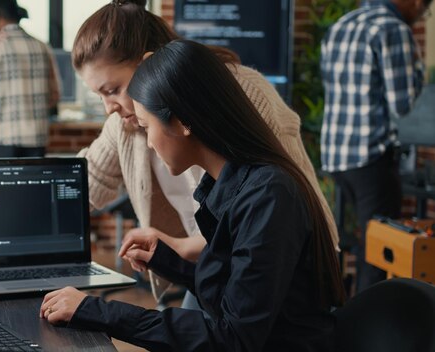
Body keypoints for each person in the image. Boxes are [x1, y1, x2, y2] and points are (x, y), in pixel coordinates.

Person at [40, 40, 345, 351]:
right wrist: (165, 260)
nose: (148, 144)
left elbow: (232, 338)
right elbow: (234, 294)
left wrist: (98, 312)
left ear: (183, 121)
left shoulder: (268, 196)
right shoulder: (230, 184)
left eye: (147, 128)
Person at [72, 0, 339, 308]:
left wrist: (183, 247)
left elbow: (272, 214)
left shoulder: (240, 92)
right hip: (218, 260)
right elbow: (87, 184)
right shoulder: (125, 122)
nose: (109, 108)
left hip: (287, 264)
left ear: (149, 62)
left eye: (112, 90)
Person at [320, 0, 430, 292]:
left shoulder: (341, 24)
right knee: (379, 250)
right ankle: (368, 327)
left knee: (347, 240)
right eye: (425, 7)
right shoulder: (393, 29)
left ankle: (340, 313)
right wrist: (420, 72)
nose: (422, 15)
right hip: (370, 157)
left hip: (335, 154)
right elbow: (402, 103)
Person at [0, 0, 60, 158]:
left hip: (3, 140)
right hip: (37, 140)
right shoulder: (43, 47)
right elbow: (54, 96)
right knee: (36, 183)